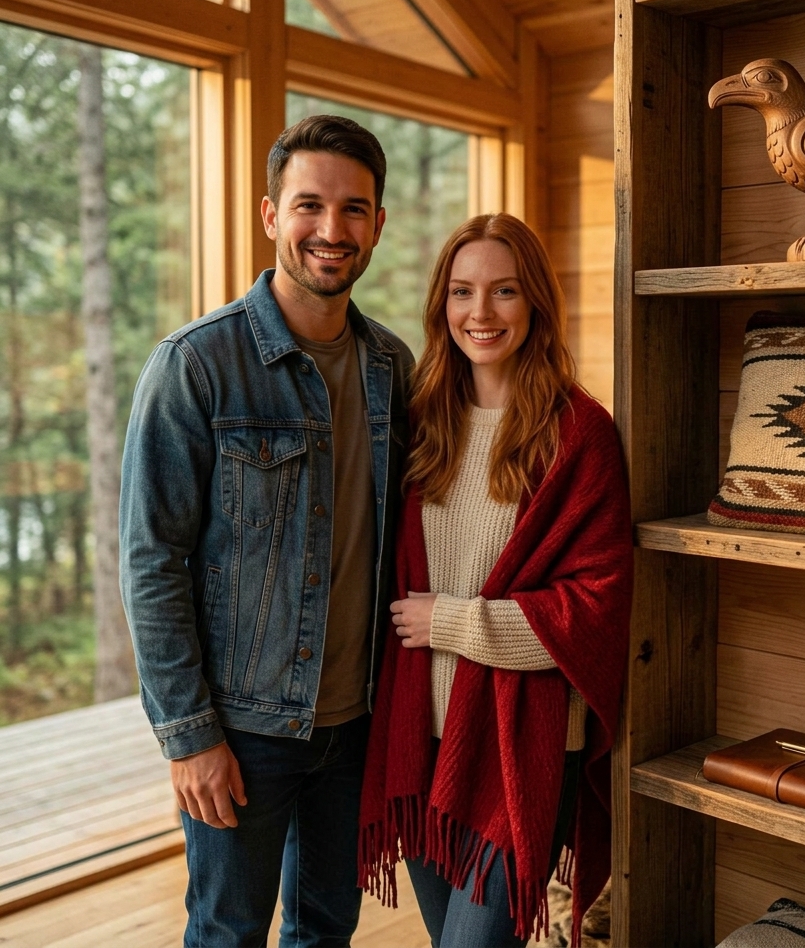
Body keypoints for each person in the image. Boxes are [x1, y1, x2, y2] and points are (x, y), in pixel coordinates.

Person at [120, 115, 414, 948]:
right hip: (244, 730)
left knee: (327, 929)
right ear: (269, 215)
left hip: (356, 721)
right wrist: (189, 737)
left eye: (355, 209)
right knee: (227, 931)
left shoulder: (395, 367)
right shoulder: (195, 365)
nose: (332, 230)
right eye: (309, 205)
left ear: (378, 225)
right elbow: (151, 562)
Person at [357, 213, 632, 948]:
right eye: (462, 292)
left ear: (535, 301)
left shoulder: (579, 434)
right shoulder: (420, 423)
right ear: (441, 305)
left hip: (523, 741)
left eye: (504, 291)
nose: (480, 314)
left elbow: (596, 609)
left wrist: (451, 621)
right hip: (421, 742)